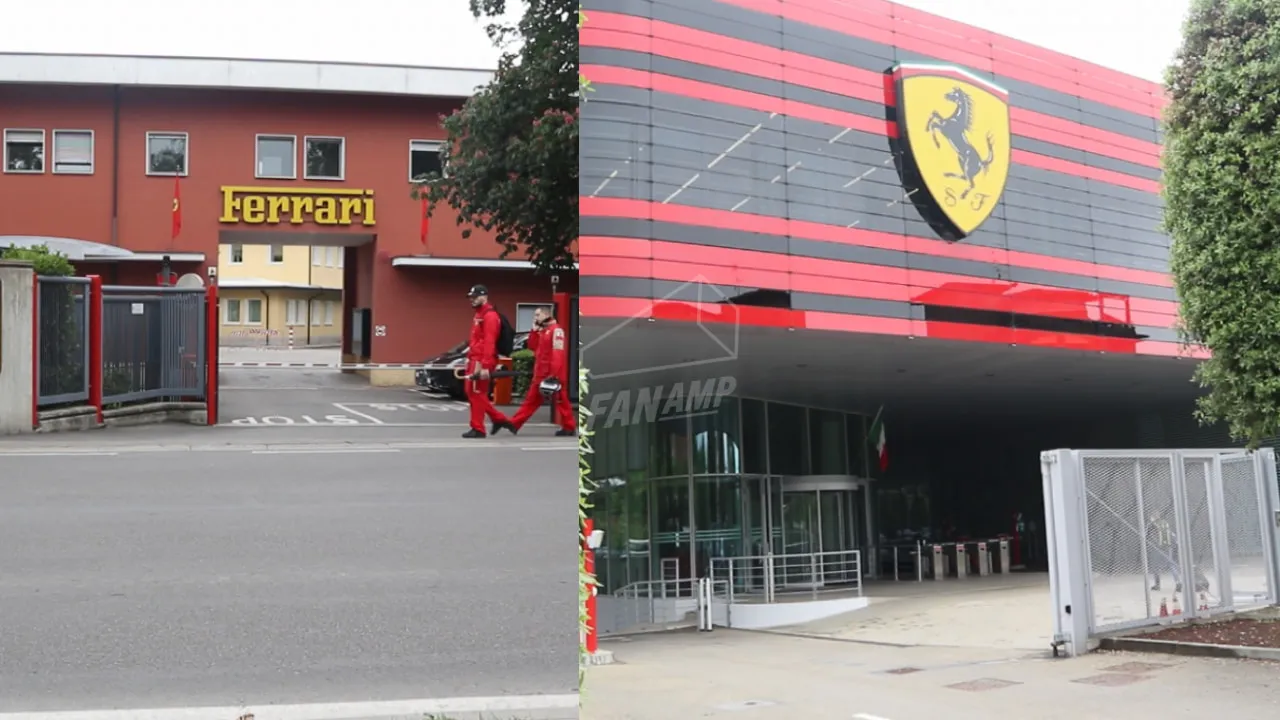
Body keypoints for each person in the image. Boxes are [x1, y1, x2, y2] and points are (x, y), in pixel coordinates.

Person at [502, 306, 576, 437]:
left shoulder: (556, 331)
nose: (535, 318)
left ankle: (569, 426)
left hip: (551, 375)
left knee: (561, 401)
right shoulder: (544, 331)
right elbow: (532, 346)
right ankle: (515, 423)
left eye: (537, 315)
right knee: (532, 401)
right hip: (540, 374)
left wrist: (554, 374)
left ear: (546, 315)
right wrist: (534, 331)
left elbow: (558, 354)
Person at [462, 284, 514, 439]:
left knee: (477, 392)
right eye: (471, 297)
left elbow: (489, 341)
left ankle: (479, 427)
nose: (472, 300)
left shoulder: (490, 316)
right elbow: (476, 340)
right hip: (475, 358)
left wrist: (484, 365)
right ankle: (498, 419)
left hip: (482, 359)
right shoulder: (479, 315)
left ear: (484, 296)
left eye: (475, 297)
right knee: (472, 392)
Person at [1147, 510, 1182, 592]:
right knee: (1171, 565)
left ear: (1152, 517)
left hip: (1158, 547)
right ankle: (1178, 582)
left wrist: (1153, 541)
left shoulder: (1151, 524)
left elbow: (1146, 535)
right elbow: (1171, 534)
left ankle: (1157, 585)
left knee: (1156, 566)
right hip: (1168, 545)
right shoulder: (1165, 523)